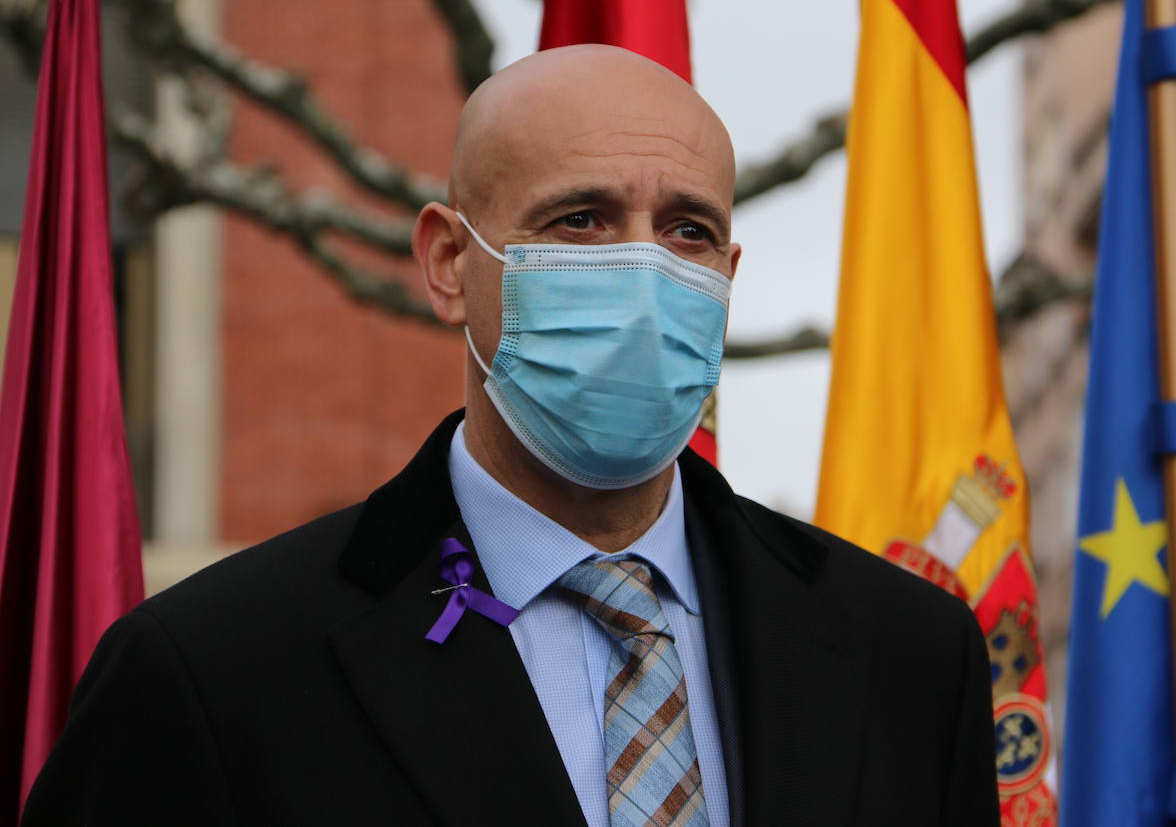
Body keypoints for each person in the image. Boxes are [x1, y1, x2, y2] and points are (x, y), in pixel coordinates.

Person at [23, 45, 998, 826]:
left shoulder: (909, 655)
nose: (644, 274)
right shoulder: (211, 671)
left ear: (729, 270)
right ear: (449, 262)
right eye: (581, 220)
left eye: (688, 230)